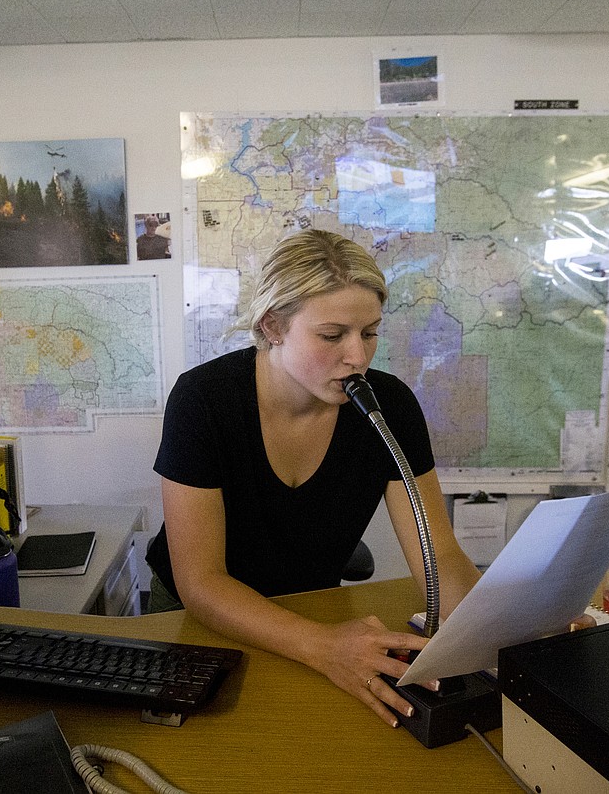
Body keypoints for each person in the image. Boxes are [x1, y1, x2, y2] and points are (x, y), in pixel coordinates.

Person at [145, 228, 481, 729]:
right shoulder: (202, 400)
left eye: (369, 332)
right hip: (200, 618)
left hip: (311, 611)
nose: (358, 357)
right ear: (273, 326)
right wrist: (323, 646)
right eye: (332, 335)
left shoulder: (389, 407)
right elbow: (202, 584)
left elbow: (441, 557)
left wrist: (501, 630)